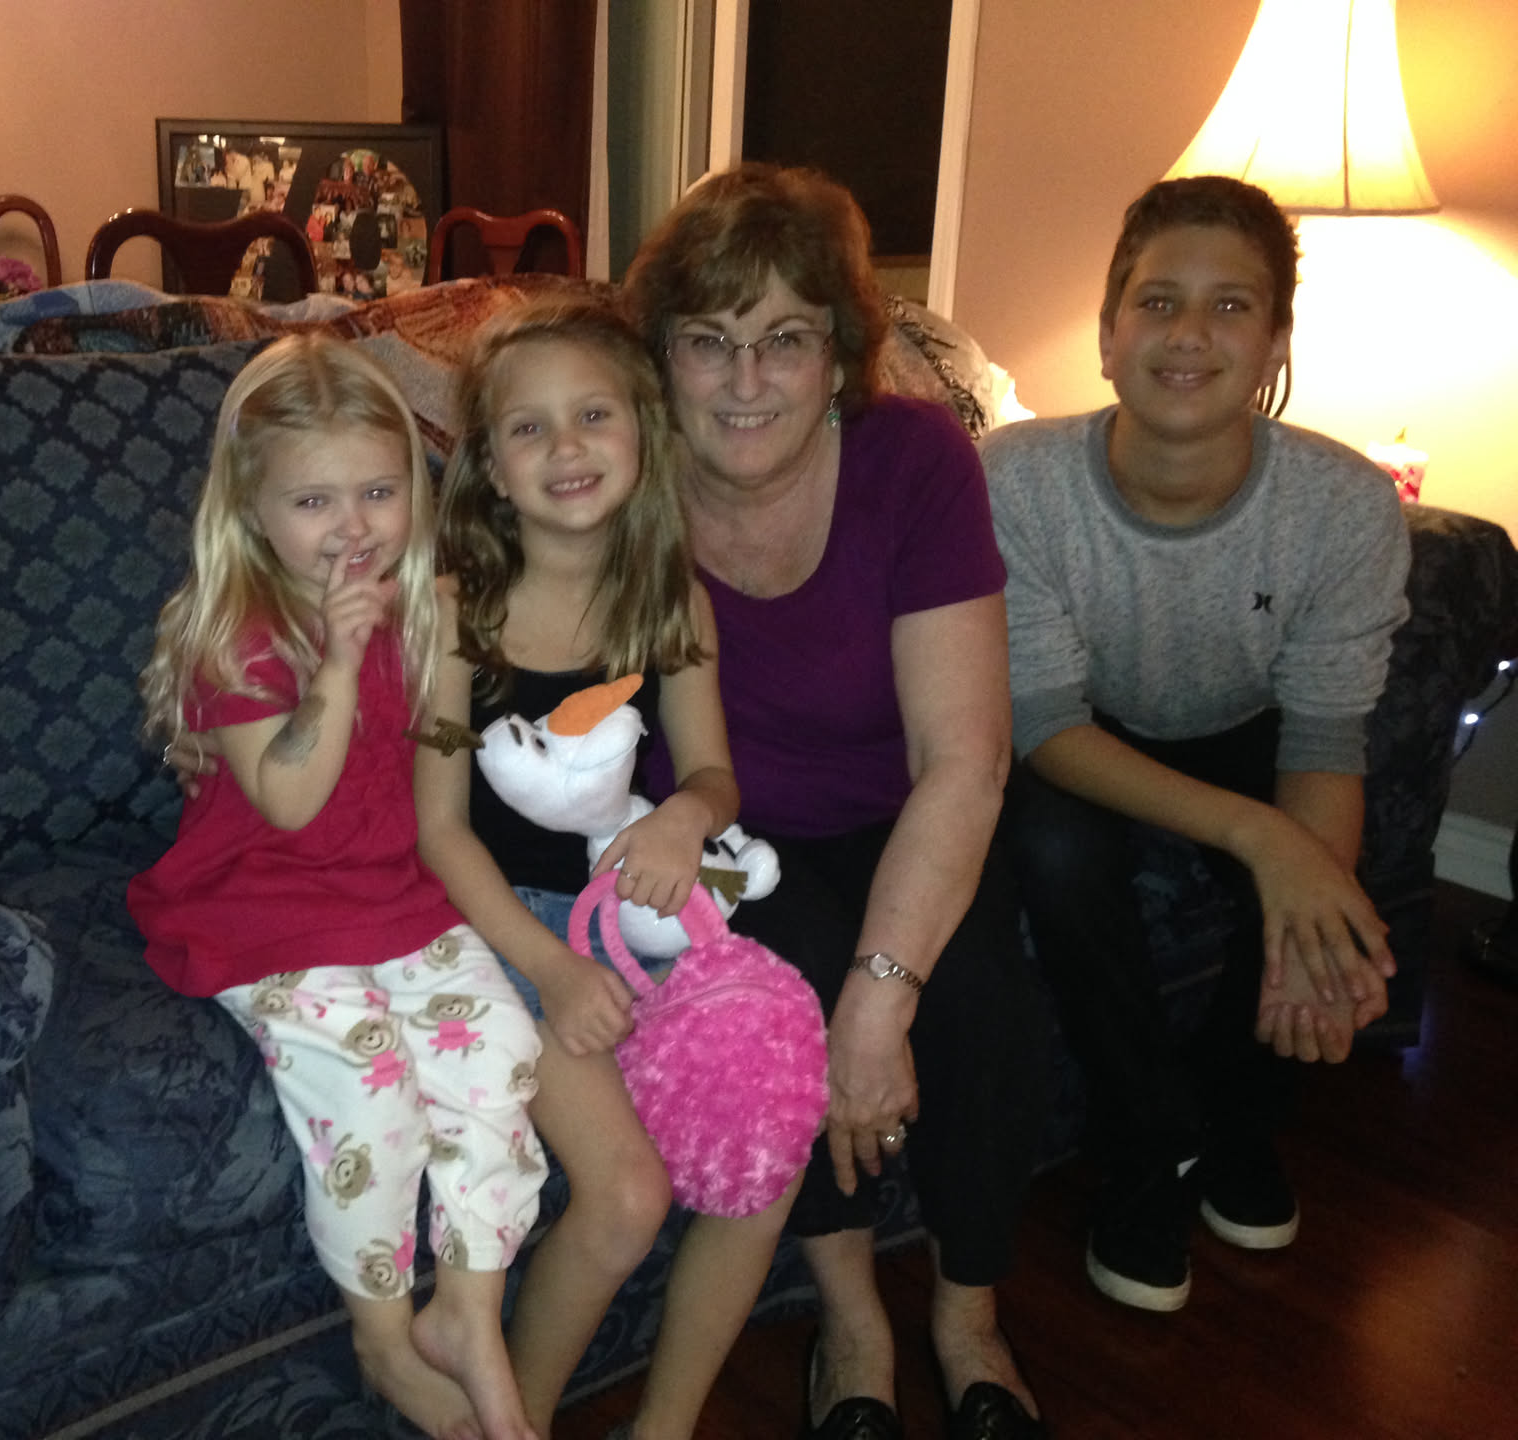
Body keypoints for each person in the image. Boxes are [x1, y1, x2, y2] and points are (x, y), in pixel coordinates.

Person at [622, 164, 1049, 1440]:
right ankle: (852, 1319)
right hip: (718, 835)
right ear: (663, 357)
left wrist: (884, 994)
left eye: (785, 340)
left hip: (902, 806)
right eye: (709, 341)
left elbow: (966, 760)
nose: (746, 380)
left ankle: (968, 1313)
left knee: (978, 989)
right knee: (779, 1003)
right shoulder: (621, 477)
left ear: (839, 354)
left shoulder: (916, 461)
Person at [980, 175, 1409, 1315]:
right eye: (1159, 301)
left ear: (1276, 345)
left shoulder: (1345, 507)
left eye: (1231, 307)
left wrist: (1309, 916)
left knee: (1323, 873)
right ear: (1108, 332)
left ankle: (1237, 1115)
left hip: (1251, 730)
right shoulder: (1016, 481)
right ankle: (1146, 1138)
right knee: (1052, 846)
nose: (1188, 334)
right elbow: (1044, 722)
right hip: (1084, 737)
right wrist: (1263, 839)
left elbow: (1326, 732)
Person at [125, 334, 546, 1440]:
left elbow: (448, 752)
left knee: (502, 1049)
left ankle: (469, 1313)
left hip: (393, 893)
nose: (353, 526)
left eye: (378, 491)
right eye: (315, 501)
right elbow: (292, 801)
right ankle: (382, 1335)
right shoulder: (241, 635)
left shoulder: (422, 607)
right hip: (264, 906)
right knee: (371, 1088)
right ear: (252, 509)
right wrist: (341, 669)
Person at [413, 298, 800, 1440]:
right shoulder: (453, 611)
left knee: (768, 1139)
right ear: (490, 467)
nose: (566, 447)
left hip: (621, 910)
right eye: (527, 428)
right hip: (491, 930)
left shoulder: (670, 599)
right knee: (627, 1196)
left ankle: (663, 1426)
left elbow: (716, 775)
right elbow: (439, 833)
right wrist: (552, 971)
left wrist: (687, 815)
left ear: (642, 431)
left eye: (593, 415)